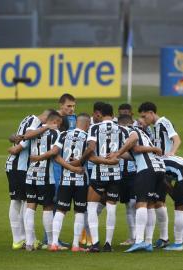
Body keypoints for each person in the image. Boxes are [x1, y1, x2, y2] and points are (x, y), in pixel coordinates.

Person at [30, 113, 91, 252]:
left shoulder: (63, 135)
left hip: (65, 180)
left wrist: (39, 157)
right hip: (81, 181)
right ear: (87, 125)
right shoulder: (88, 137)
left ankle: (54, 243)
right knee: (79, 212)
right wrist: (77, 165)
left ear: (76, 123)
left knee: (60, 211)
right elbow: (92, 154)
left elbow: (54, 153)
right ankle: (76, 245)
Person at [8, 110, 62, 251]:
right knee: (47, 208)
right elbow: (55, 152)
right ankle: (51, 243)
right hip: (45, 177)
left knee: (30, 207)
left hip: (30, 175)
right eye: (59, 124)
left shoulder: (33, 133)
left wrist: (17, 138)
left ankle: (30, 243)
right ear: (54, 122)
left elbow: (22, 139)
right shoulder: (56, 133)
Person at [109, 121, 166, 253]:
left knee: (141, 203)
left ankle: (139, 241)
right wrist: (116, 154)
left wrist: (117, 153)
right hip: (159, 168)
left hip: (147, 169)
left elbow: (134, 145)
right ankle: (148, 242)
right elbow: (133, 154)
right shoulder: (143, 134)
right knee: (150, 204)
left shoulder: (129, 130)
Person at [81, 103, 126, 252]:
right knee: (112, 208)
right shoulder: (121, 129)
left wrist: (93, 160)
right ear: (112, 114)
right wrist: (114, 158)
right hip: (115, 174)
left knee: (91, 207)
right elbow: (126, 151)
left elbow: (91, 149)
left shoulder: (94, 127)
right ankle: (108, 244)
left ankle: (95, 243)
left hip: (99, 173)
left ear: (100, 113)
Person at [138, 101, 182, 248]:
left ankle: (164, 238)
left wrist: (171, 154)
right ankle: (160, 239)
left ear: (151, 113)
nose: (144, 119)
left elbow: (177, 139)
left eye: (145, 116)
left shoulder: (164, 122)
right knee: (156, 202)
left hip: (166, 166)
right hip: (158, 167)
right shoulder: (154, 127)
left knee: (159, 202)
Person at [117, 114, 138, 246]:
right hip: (131, 174)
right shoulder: (139, 133)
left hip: (127, 174)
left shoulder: (118, 134)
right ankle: (135, 237)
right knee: (133, 206)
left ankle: (134, 238)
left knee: (131, 207)